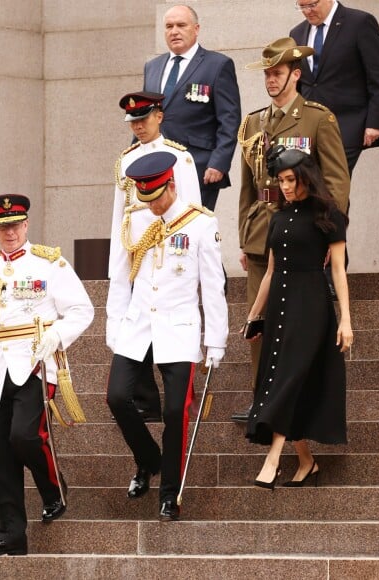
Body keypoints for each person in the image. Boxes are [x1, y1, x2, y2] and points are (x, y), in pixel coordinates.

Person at [232, 37, 350, 422]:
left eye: (277, 73)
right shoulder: (252, 122)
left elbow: (335, 182)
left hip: (303, 233)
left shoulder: (318, 118)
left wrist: (330, 235)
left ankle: (294, 399)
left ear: (295, 75)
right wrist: (244, 235)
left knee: (296, 323)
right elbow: (248, 186)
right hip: (261, 229)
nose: (270, 80)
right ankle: (259, 398)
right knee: (257, 318)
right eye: (266, 74)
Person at [106, 151, 228, 521]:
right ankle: (148, 460)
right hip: (138, 325)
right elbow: (120, 276)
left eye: (156, 197)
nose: (152, 205)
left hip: (179, 329)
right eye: (145, 198)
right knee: (116, 398)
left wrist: (216, 340)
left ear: (171, 185)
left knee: (176, 411)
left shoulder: (200, 224)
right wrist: (115, 325)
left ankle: (169, 491)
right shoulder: (135, 220)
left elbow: (213, 285)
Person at [0, 195, 94, 556]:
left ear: (26, 225)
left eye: (15, 225)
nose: (9, 232)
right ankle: (11, 536)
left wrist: (57, 334)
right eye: (2, 226)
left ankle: (53, 488)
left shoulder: (50, 263)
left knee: (24, 436)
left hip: (35, 363)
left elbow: (82, 309)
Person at [244, 146, 352, 489]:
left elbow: (338, 270)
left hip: (312, 306)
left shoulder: (329, 214)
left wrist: (346, 319)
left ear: (306, 176)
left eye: (291, 179)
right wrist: (253, 315)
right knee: (282, 377)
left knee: (289, 377)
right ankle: (306, 461)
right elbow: (270, 272)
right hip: (280, 306)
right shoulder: (277, 217)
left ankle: (273, 459)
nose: (286, 186)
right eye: (281, 180)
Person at [109, 91, 202, 422]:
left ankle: (178, 395)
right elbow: (120, 219)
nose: (138, 126)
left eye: (143, 119)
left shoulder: (180, 158)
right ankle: (146, 399)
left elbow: (193, 214)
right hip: (137, 256)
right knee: (137, 329)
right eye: (133, 121)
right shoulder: (125, 160)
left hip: (173, 259)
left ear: (159, 117)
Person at [143, 4, 241, 210]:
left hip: (199, 167)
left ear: (196, 29)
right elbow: (144, 117)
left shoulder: (217, 65)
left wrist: (219, 162)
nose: (174, 31)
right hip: (156, 168)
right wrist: (134, 157)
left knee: (191, 234)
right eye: (169, 26)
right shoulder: (152, 67)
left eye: (181, 25)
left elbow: (229, 120)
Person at [290, 0, 379, 176]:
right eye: (301, 6)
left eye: (312, 5)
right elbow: (299, 83)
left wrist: (376, 122)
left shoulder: (360, 23)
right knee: (305, 186)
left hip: (347, 123)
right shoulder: (297, 33)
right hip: (307, 126)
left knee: (332, 185)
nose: (307, 11)